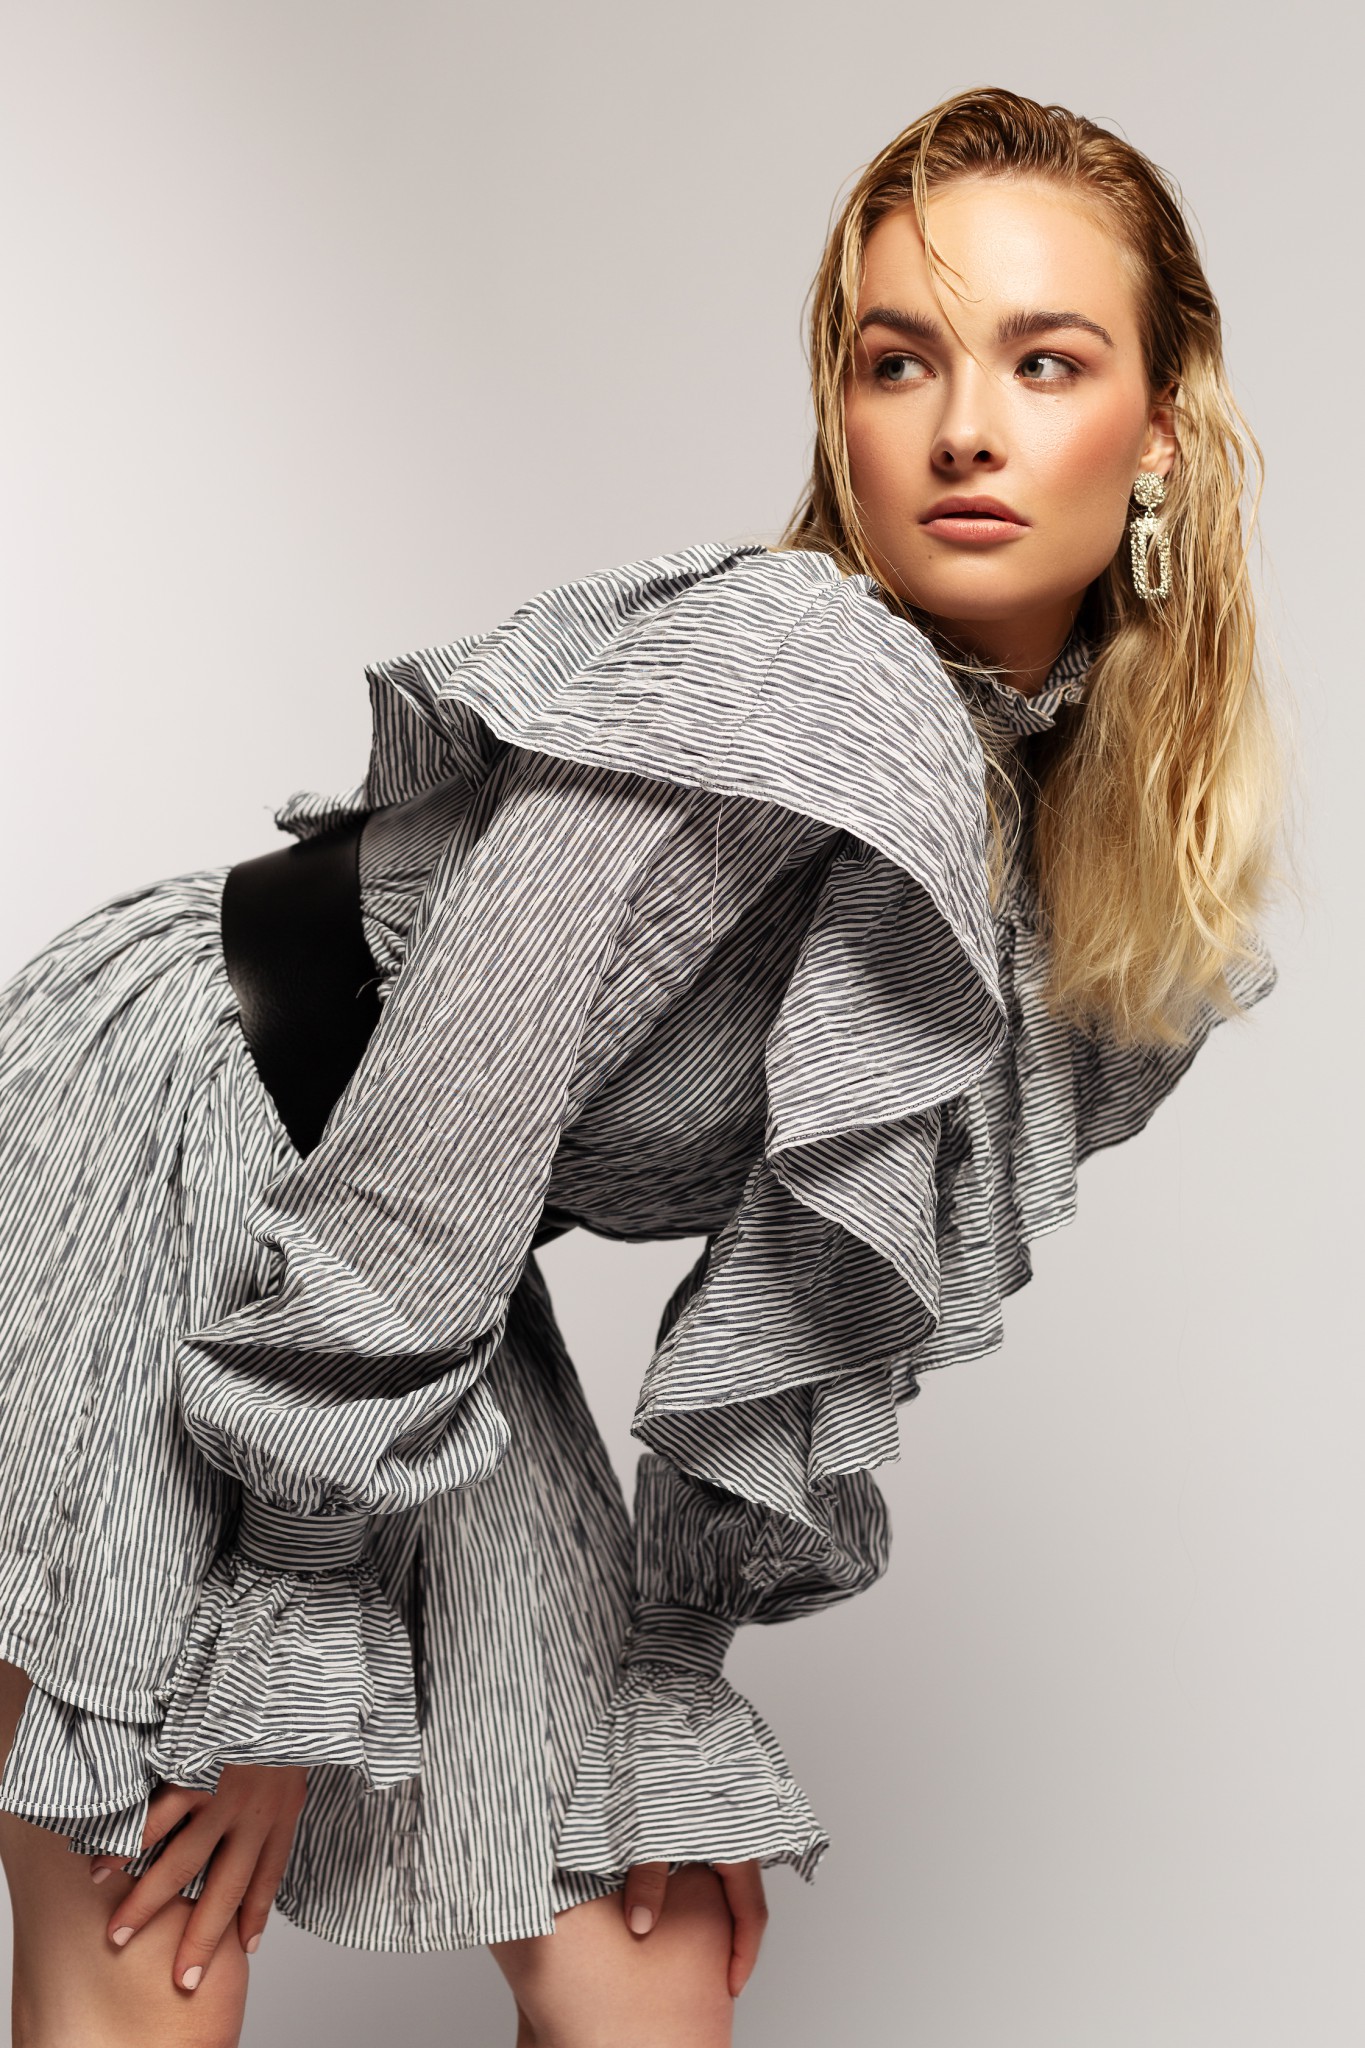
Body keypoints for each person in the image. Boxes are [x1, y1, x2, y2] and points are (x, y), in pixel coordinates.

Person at [0, 85, 1284, 2048]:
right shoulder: (784, 670)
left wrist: (662, 1669)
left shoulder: (1071, 881)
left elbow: (801, 1311)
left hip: (393, 1261)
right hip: (183, 1120)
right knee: (157, 1915)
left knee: (639, 1962)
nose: (962, 427)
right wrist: (278, 1640)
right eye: (898, 361)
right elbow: (447, 1116)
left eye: (1044, 361)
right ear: (840, 417)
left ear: (1159, 432)